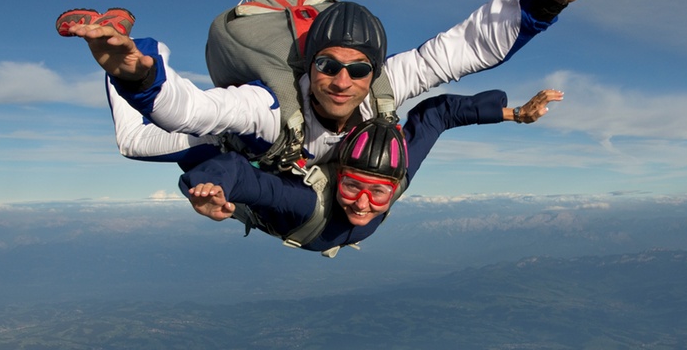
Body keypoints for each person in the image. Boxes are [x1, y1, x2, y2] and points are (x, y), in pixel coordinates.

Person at [62, 0, 622, 170]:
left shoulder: (383, 86)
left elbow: (461, 50)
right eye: (328, 65)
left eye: (358, 69)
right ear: (309, 66)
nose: (342, 80)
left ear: (373, 70)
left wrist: (547, 4)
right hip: (232, 136)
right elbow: (199, 113)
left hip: (290, 156)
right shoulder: (267, 107)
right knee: (134, 141)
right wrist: (139, 74)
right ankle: (143, 47)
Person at [181, 88, 563, 257]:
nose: (362, 203)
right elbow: (239, 174)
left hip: (307, 221)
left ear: (395, 184)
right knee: (153, 142)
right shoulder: (303, 202)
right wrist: (210, 186)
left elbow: (437, 114)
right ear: (339, 174)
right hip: (267, 201)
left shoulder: (397, 166)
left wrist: (513, 114)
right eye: (351, 187)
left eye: (379, 193)